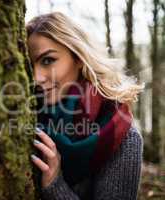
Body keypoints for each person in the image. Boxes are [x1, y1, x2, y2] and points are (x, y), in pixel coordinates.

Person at [26, 12, 144, 200]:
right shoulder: (28, 118)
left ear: (79, 58)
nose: (36, 78)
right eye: (30, 66)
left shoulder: (120, 134)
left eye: (48, 60)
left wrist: (55, 186)